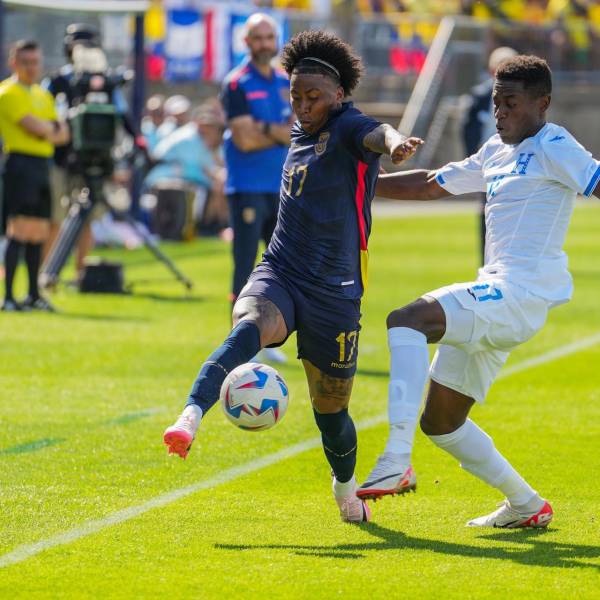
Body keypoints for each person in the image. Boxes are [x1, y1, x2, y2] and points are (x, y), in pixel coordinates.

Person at [163, 30, 423, 523]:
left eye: (314, 98)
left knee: (331, 412)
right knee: (247, 326)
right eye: (296, 97)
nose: (303, 107)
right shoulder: (301, 128)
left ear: (338, 94)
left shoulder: (348, 125)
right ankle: (189, 416)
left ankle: (345, 490)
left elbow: (378, 132)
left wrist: (395, 144)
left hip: (336, 291)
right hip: (281, 268)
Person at [357, 55, 600, 528]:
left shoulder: (554, 144)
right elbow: (431, 185)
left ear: (542, 103)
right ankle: (527, 505)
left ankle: (396, 459)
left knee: (407, 320)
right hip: (497, 295)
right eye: (496, 102)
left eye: (511, 103)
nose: (500, 112)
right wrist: (365, 185)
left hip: (520, 294)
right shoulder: (494, 150)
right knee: (441, 423)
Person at [219, 14, 292, 340]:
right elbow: (244, 141)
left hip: (281, 188)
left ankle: (271, 334)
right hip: (247, 187)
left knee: (283, 268)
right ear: (246, 42)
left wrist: (262, 128)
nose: (264, 44)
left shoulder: (285, 82)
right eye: (258, 38)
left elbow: (295, 133)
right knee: (245, 265)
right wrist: (276, 133)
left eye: (269, 37)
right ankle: (239, 337)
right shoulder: (237, 83)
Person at [0, 40, 69, 311]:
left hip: (43, 164)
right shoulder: (8, 92)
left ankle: (33, 294)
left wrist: (47, 130)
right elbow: (35, 127)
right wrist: (48, 129)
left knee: (39, 231)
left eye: (35, 62)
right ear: (13, 63)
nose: (31, 68)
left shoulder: (43, 95)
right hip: (20, 163)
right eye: (25, 62)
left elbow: (63, 134)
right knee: (18, 229)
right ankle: (9, 296)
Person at [462, 46, 517, 263]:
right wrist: (473, 162)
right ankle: (487, 262)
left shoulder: (526, 100)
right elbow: (468, 130)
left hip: (517, 164)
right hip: (489, 165)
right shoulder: (479, 97)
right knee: (488, 212)